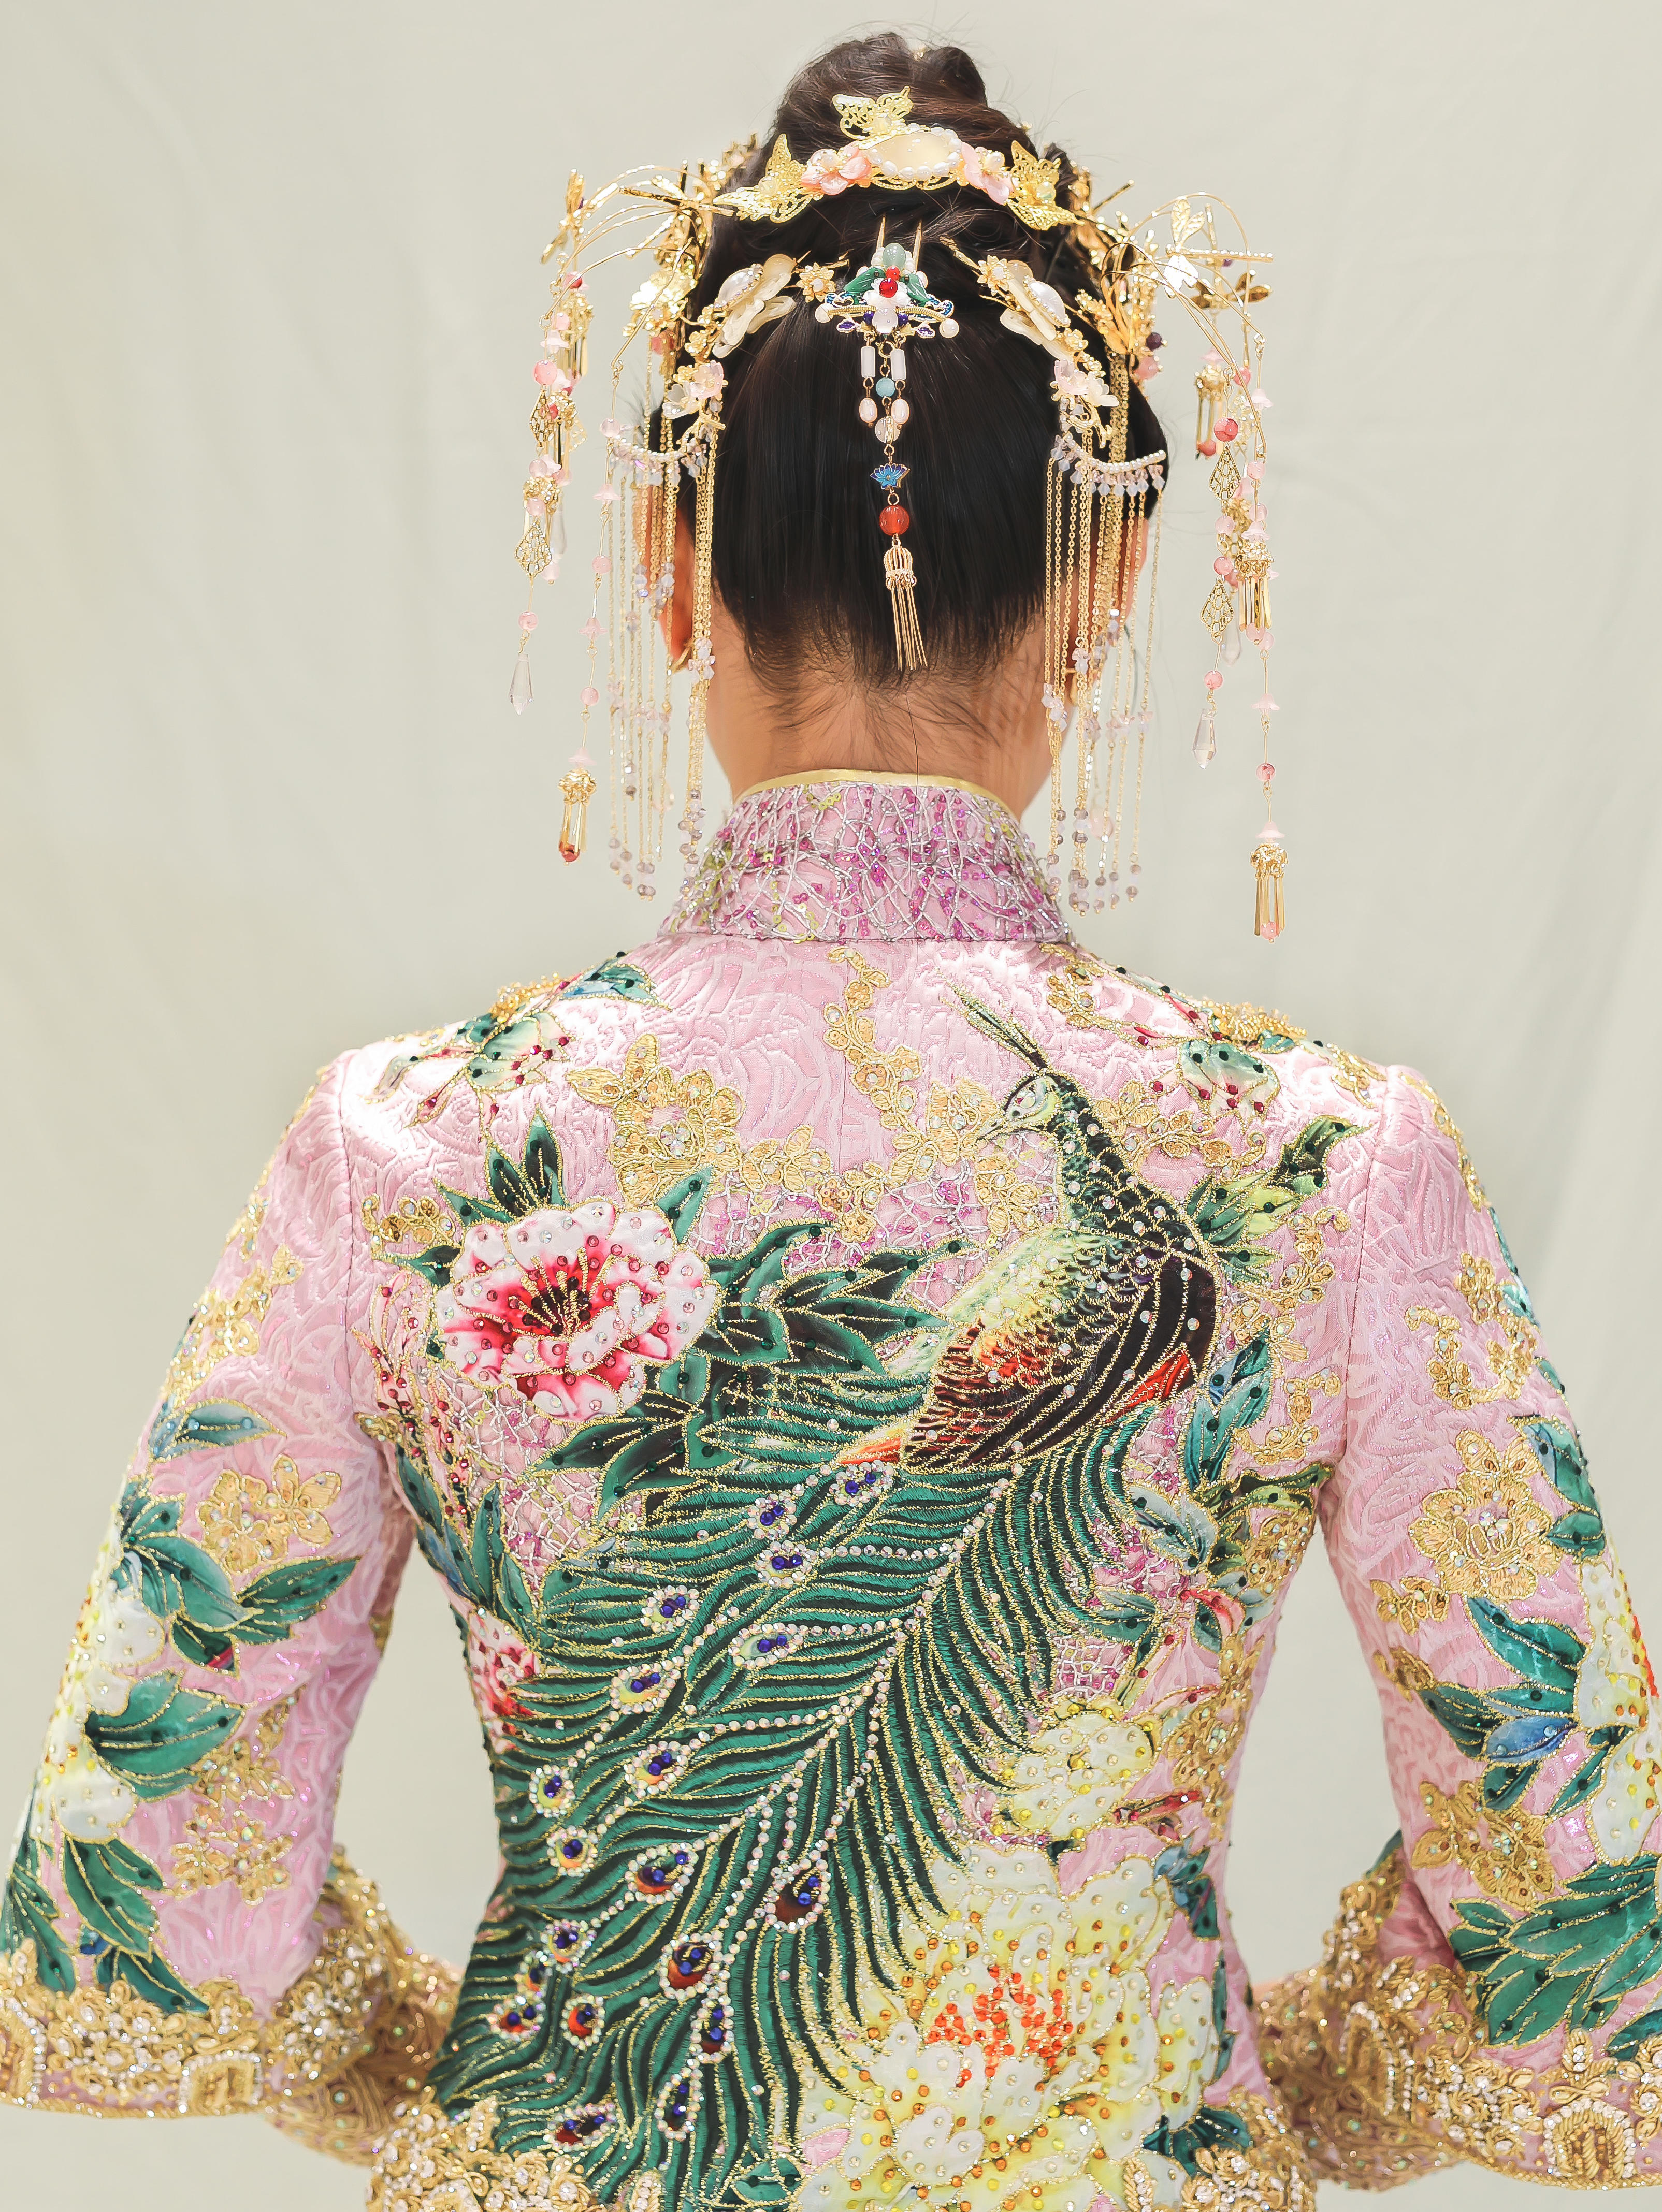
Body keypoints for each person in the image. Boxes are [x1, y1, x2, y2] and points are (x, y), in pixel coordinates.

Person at [4, 31, 1659, 2210]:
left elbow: (157, 1868)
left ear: (666, 560)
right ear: (1104, 586)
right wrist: (1250, 2090)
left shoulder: (406, 1146)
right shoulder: (1321, 1167)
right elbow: (1569, 1879)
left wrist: (466, 2091)